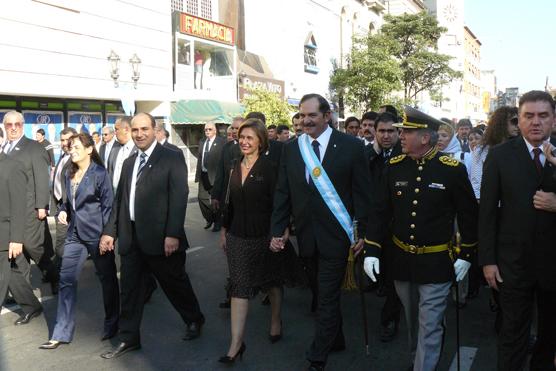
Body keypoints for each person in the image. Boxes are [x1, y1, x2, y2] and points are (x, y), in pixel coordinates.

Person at [364, 106, 478, 371]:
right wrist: (371, 248)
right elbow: (380, 211)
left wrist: (467, 254)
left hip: (436, 260)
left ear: (425, 138)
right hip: (401, 259)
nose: (400, 136)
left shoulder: (451, 169)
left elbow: (468, 214)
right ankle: (418, 357)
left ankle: (423, 365)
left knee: (428, 322)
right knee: (412, 319)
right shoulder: (394, 167)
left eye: (406, 132)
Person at [271, 94, 374, 371]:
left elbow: (363, 194)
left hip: (337, 236)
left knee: (326, 297)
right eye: (302, 115)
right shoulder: (292, 149)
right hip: (305, 236)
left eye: (312, 115)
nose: (306, 120)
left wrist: (363, 231)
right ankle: (335, 338)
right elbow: (283, 192)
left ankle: (317, 358)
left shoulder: (352, 147)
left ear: (327, 116)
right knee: (320, 293)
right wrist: (277, 229)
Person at [99, 112, 204, 359]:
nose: (139, 134)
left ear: (154, 129)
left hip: (162, 239)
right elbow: (120, 202)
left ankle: (194, 318)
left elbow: (178, 198)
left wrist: (172, 234)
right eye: (135, 130)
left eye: (144, 129)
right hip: (131, 237)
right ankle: (129, 338)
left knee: (174, 284)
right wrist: (109, 232)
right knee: (130, 290)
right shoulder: (129, 162)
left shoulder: (172, 157)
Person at [479, 90, 556, 371]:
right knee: (512, 335)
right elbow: (486, 212)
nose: (536, 122)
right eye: (529, 116)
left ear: (554, 119)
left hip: (553, 264)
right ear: (519, 119)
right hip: (513, 264)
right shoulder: (499, 156)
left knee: (550, 337)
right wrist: (487, 260)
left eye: (543, 116)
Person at [218, 118, 301, 363]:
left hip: (266, 235)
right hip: (237, 236)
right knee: (239, 288)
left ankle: (275, 320)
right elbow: (228, 202)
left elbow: (281, 202)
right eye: (241, 137)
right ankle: (235, 345)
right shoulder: (233, 165)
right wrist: (224, 229)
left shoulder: (270, 167)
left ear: (261, 141)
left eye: (249, 138)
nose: (243, 141)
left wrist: (283, 228)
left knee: (272, 282)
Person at [39, 133, 119, 349]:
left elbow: (109, 207)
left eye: (75, 147)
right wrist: (64, 211)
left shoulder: (99, 173)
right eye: (69, 146)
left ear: (89, 149)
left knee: (108, 280)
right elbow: (67, 202)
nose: (70, 149)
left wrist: (107, 235)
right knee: (66, 280)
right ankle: (61, 332)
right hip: (75, 235)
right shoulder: (69, 173)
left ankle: (112, 323)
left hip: (97, 235)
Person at [2, 111, 59, 299]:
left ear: (23, 125)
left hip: (30, 209)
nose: (13, 128)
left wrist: (42, 205)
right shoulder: (5, 148)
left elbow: (42, 177)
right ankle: (24, 294)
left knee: (34, 248)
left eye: (17, 124)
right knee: (18, 253)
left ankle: (55, 275)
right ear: (4, 126)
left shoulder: (34, 147)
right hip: (11, 210)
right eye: (9, 125)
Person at [366, 112, 403, 343]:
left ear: (399, 133)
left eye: (391, 131)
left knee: (393, 277)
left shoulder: (405, 155)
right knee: (378, 271)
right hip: (372, 223)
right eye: (382, 131)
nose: (386, 136)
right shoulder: (368, 155)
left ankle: (390, 318)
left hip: (397, 225)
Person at [0, 151, 43, 325]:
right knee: (12, 273)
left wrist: (16, 238)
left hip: (5, 231)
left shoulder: (13, 166)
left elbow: (19, 206)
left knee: (2, 274)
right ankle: (32, 306)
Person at [469, 106, 519, 201]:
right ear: (501, 123)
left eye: (519, 121)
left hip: (514, 203)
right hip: (491, 202)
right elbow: (476, 180)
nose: (518, 125)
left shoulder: (521, 147)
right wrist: (480, 202)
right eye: (514, 121)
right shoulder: (481, 149)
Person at [51, 127, 78, 275]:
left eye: (68, 139)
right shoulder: (63, 157)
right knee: (62, 242)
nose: (65, 143)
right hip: (59, 205)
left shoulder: (76, 159)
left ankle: (58, 277)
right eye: (62, 140)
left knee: (61, 243)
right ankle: (55, 273)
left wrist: (67, 209)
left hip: (68, 208)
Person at [195, 122, 225, 232]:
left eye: (210, 129)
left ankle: (218, 222)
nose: (207, 131)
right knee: (201, 198)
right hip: (203, 175)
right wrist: (197, 174)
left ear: (215, 130)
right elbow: (200, 158)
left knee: (215, 201)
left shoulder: (221, 142)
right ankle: (210, 218)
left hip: (215, 176)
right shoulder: (202, 141)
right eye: (206, 129)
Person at [110, 117, 135, 192]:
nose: (115, 132)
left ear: (126, 129)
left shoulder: (139, 150)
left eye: (117, 129)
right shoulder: (114, 150)